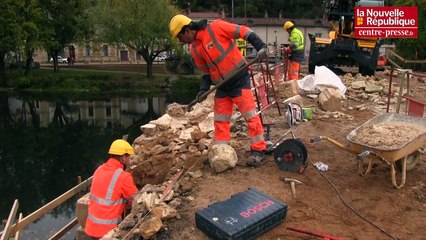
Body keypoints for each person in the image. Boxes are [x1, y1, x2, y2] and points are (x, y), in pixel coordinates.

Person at [169, 14, 268, 166]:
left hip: (239, 78)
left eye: (179, 37)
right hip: (221, 86)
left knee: (250, 115)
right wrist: (202, 91)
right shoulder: (194, 48)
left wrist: (261, 46)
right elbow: (206, 73)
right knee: (220, 120)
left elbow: (244, 31)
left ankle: (258, 150)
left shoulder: (216, 27)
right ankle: (222, 152)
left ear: (187, 30)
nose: (180, 41)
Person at [85, 139, 138, 239]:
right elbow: (137, 199)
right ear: (123, 158)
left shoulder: (99, 169)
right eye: (129, 157)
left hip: (91, 228)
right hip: (108, 232)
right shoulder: (123, 177)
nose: (130, 161)